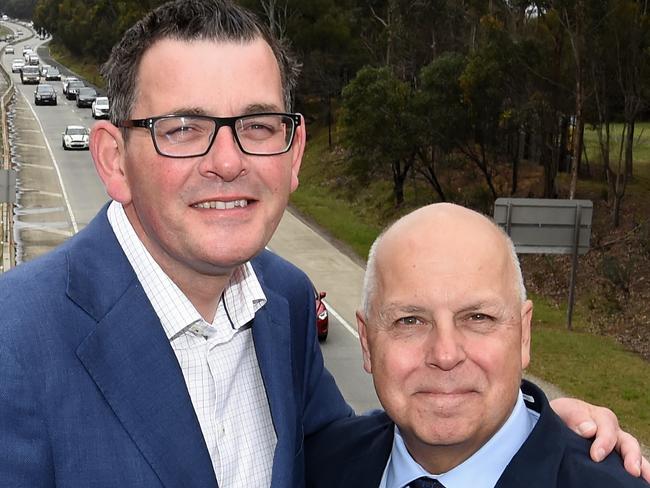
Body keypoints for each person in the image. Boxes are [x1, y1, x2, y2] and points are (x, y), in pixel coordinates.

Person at [0, 1, 644, 487]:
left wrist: (535, 426)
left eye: (256, 125)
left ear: (295, 150)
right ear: (113, 158)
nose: (227, 162)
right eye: (183, 127)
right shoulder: (16, 341)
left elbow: (357, 447)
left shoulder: (281, 300)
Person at [305, 203, 650, 488]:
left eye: (478, 318)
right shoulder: (319, 467)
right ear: (366, 341)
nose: (445, 354)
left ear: (524, 334)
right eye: (409, 321)